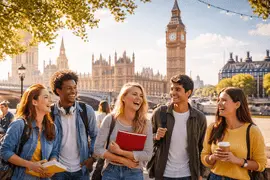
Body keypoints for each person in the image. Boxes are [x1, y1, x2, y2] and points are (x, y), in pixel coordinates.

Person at [148, 74, 207, 180]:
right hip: (163, 174)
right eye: (171, 89)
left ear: (188, 93)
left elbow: (202, 147)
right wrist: (155, 136)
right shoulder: (160, 113)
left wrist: (201, 174)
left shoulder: (199, 118)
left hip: (188, 175)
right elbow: (146, 140)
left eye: (178, 89)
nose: (173, 93)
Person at [201, 87, 267, 180]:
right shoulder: (213, 128)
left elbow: (261, 165)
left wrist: (237, 160)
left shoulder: (252, 130)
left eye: (224, 100)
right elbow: (204, 157)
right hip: (214, 177)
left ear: (237, 104)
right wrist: (213, 157)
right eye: (218, 100)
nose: (219, 103)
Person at [94, 82, 153, 180]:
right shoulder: (110, 119)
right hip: (111, 171)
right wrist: (124, 160)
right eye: (134, 94)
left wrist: (120, 152)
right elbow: (97, 149)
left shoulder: (146, 124)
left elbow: (147, 155)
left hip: (134, 172)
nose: (139, 98)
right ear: (123, 98)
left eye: (141, 96)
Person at [0, 84, 59, 180]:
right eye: (46, 97)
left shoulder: (52, 127)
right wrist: (30, 165)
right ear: (34, 102)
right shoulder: (19, 124)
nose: (51, 101)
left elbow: (54, 152)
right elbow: (4, 151)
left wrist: (52, 166)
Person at [50, 69, 98, 180]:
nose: (73, 91)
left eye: (75, 87)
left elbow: (96, 136)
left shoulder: (86, 110)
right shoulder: (50, 113)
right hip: (58, 170)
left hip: (81, 169)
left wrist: (92, 158)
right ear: (58, 91)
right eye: (69, 88)